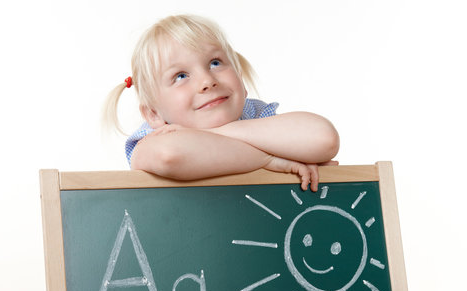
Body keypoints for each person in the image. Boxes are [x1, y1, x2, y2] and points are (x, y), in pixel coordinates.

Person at [103, 14, 339, 191]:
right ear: (153, 114)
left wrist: (225, 131)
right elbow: (170, 155)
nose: (207, 80)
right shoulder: (153, 138)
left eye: (215, 63)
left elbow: (323, 138)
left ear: (242, 82)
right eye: (181, 76)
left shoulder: (253, 115)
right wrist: (268, 160)